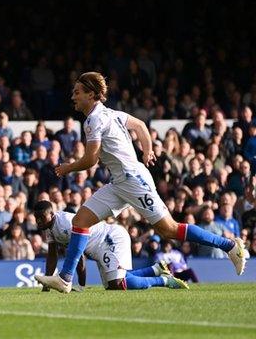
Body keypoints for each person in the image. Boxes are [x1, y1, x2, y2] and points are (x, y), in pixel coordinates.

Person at [38, 72, 247, 293]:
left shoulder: (94, 120)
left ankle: (231, 246)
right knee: (80, 221)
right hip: (120, 182)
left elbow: (91, 159)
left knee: (169, 230)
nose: (73, 96)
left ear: (91, 95)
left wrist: (67, 167)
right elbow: (140, 126)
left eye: (77, 92)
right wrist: (146, 151)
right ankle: (65, 279)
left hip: (132, 180)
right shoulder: (112, 114)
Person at [32, 201, 188, 291]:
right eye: (36, 218)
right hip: (100, 247)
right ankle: (155, 269)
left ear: (51, 214)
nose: (38, 221)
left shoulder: (65, 222)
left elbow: (78, 254)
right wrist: (47, 283)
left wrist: (79, 284)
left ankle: (165, 281)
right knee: (112, 285)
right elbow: (52, 256)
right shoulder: (50, 229)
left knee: (118, 284)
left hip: (110, 238)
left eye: (41, 217)